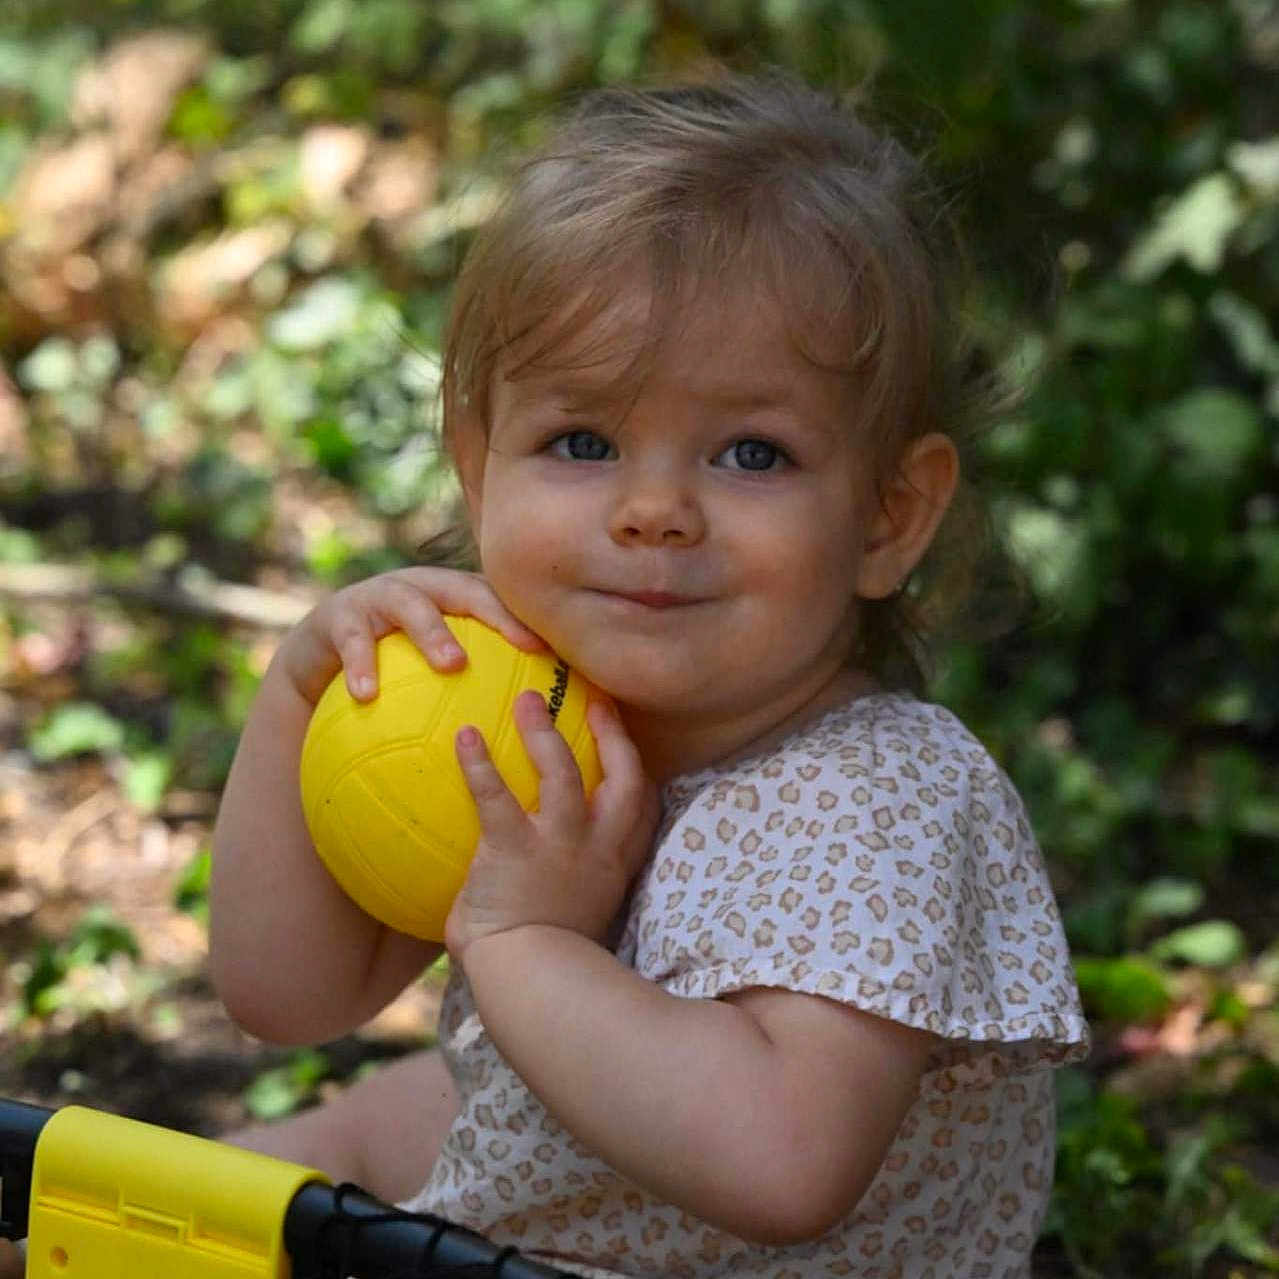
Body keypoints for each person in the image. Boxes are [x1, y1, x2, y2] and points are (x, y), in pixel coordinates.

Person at [207, 71, 1089, 1279]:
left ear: (888, 514)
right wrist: (297, 692)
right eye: (583, 441)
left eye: (750, 452)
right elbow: (286, 994)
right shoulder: (512, 721)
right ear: (479, 469)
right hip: (550, 1222)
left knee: (362, 1165)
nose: (656, 510)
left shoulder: (881, 797)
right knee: (335, 1139)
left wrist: (522, 938)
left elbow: (784, 1165)